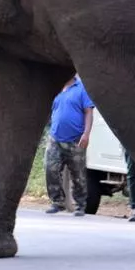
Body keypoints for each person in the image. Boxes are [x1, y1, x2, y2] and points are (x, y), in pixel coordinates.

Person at [44, 75, 95, 216]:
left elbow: (89, 112)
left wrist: (86, 134)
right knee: (50, 168)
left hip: (76, 139)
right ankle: (57, 202)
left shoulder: (81, 88)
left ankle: (80, 205)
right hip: (55, 137)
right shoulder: (56, 89)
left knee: (78, 173)